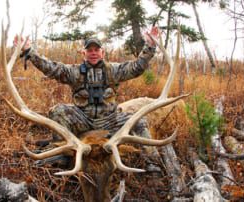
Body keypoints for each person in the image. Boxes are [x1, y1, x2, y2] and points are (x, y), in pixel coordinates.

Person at [14, 27, 161, 171]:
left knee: (139, 121)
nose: (93, 53)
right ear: (83, 53)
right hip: (83, 120)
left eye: (96, 50)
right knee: (58, 111)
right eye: (89, 50)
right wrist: (29, 51)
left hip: (110, 121)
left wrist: (150, 46)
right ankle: (62, 154)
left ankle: (153, 162)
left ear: (102, 53)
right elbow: (51, 68)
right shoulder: (74, 72)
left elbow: (137, 67)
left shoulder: (114, 70)